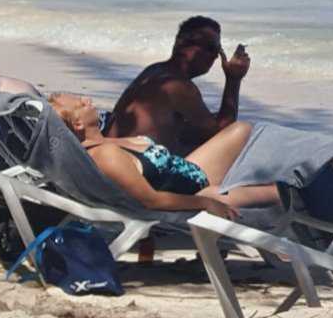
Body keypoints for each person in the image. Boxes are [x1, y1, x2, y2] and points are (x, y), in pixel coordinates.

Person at [46, 92, 275, 221]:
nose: (88, 99)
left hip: (189, 172)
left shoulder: (103, 143)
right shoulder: (105, 155)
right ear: (77, 123)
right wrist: (205, 202)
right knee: (281, 191)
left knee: (242, 129)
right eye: (81, 103)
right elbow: (151, 201)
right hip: (196, 193)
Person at [107, 16, 250, 155]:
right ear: (181, 44)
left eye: (218, 50)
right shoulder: (178, 85)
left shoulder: (156, 70)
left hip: (119, 157)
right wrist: (233, 79)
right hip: (134, 167)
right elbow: (223, 134)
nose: (215, 56)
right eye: (211, 48)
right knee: (243, 134)